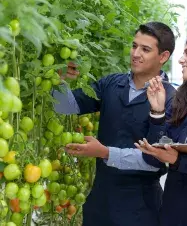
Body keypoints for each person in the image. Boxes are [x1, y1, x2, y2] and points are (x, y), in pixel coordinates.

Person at [66, 34, 187, 226]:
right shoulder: (184, 100)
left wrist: (177, 159)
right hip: (175, 209)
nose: (180, 60)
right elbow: (153, 154)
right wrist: (157, 111)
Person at [53, 22, 176, 226]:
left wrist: (104, 152)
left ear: (163, 57)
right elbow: (66, 106)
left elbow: (156, 159)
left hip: (140, 209)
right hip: (100, 202)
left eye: (145, 49)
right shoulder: (111, 84)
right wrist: (60, 79)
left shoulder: (172, 99)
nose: (136, 53)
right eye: (134, 46)